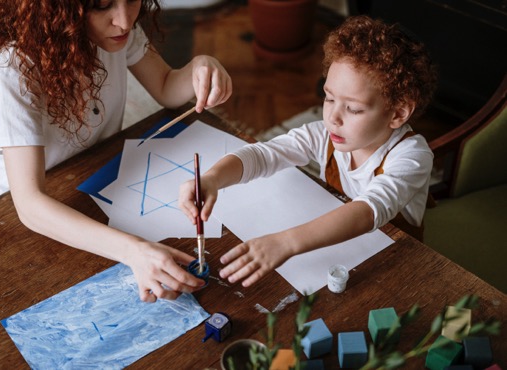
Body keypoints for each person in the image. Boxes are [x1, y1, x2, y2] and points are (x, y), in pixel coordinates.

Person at [0, 0, 232, 302]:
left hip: (92, 181)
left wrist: (201, 66)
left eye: (131, 0)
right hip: (5, 215)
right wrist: (134, 250)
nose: (125, 20)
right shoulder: (13, 67)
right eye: (102, 5)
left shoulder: (114, 32)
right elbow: (29, 203)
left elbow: (167, 87)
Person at [179, 15, 437, 288]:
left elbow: (368, 210)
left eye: (353, 108)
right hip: (341, 250)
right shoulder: (325, 135)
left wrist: (285, 242)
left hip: (398, 259)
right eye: (329, 98)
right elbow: (265, 155)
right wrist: (212, 179)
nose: (333, 117)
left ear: (397, 113)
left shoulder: (412, 155)